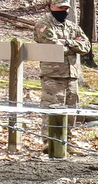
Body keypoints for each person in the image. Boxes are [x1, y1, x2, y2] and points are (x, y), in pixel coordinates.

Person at [33, 0, 91, 143]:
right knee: (52, 110)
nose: (64, 11)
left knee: (71, 111)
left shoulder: (72, 26)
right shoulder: (44, 24)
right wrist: (72, 44)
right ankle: (49, 142)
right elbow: (53, 46)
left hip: (71, 75)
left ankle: (67, 141)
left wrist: (67, 42)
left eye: (66, 8)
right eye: (60, 7)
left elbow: (87, 46)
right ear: (52, 6)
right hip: (53, 76)